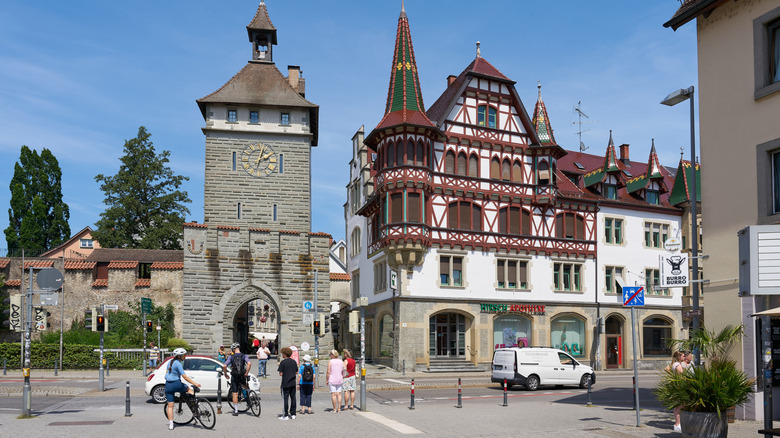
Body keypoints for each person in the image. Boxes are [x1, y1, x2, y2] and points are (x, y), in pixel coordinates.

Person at [164, 347, 201, 430]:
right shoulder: (178, 364)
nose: (185, 356)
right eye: (184, 355)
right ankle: (195, 405)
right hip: (177, 384)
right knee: (188, 389)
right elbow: (185, 377)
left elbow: (167, 373)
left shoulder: (169, 362)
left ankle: (171, 425)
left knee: (170, 406)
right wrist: (195, 383)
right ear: (180, 356)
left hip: (168, 385)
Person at [222, 342, 251, 416]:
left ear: (233, 349)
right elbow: (249, 363)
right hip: (242, 375)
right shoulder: (244, 356)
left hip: (234, 376)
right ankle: (250, 399)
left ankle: (236, 411)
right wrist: (247, 372)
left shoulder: (231, 357)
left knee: (235, 393)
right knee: (245, 387)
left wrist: (225, 374)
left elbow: (225, 366)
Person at [278, 347, 298, 420]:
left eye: (282, 353)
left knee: (285, 399)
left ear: (285, 354)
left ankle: (285, 415)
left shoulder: (283, 362)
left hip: (285, 382)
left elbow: (281, 373)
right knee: (293, 398)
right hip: (293, 382)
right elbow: (296, 372)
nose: (282, 354)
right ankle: (293, 414)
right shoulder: (294, 362)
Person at [669, 350, 685, 432]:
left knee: (677, 406)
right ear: (679, 357)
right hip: (679, 386)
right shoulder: (678, 365)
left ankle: (677, 423)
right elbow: (683, 376)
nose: (684, 357)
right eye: (682, 356)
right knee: (680, 406)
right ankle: (678, 424)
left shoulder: (674, 364)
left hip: (676, 386)